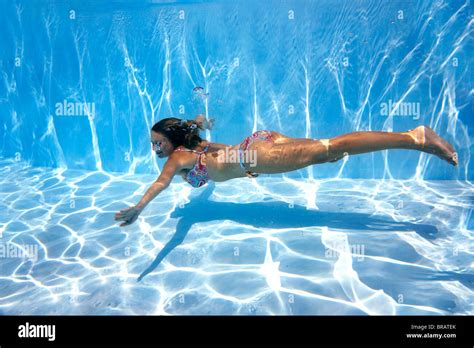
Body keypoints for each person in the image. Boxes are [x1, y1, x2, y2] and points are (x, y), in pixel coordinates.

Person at [114, 115, 458, 226]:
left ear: (173, 142)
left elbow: (160, 183)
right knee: (327, 152)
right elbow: (220, 155)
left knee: (334, 147)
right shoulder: (196, 149)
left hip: (255, 155)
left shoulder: (179, 159)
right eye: (154, 144)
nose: (155, 150)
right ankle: (413, 138)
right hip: (257, 144)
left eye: (158, 143)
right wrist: (238, 167)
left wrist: (138, 209)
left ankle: (414, 137)